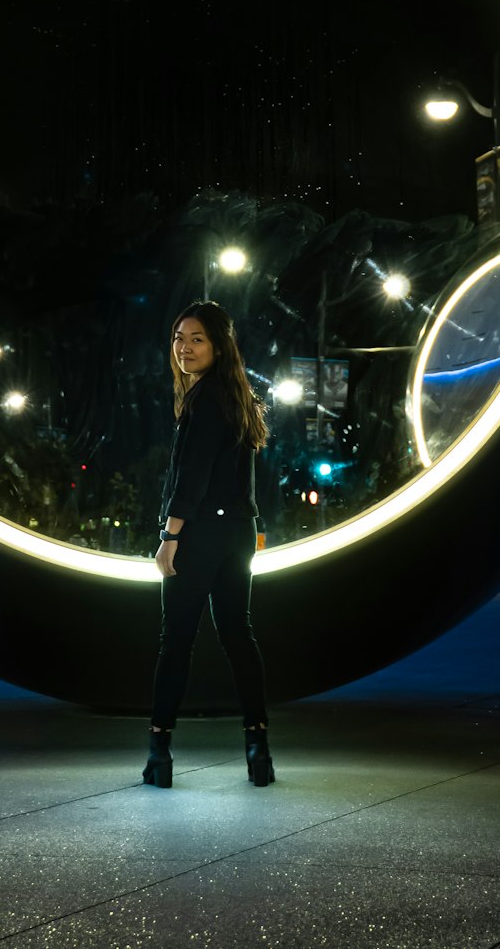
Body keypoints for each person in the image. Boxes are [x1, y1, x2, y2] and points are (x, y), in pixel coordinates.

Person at [142, 300, 274, 789]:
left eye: (197, 339)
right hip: (238, 533)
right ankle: (258, 745)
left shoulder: (205, 400)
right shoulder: (236, 397)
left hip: (198, 535)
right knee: (238, 634)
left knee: (175, 641)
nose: (185, 348)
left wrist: (170, 537)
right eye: (179, 338)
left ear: (219, 346)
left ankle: (160, 750)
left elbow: (191, 478)